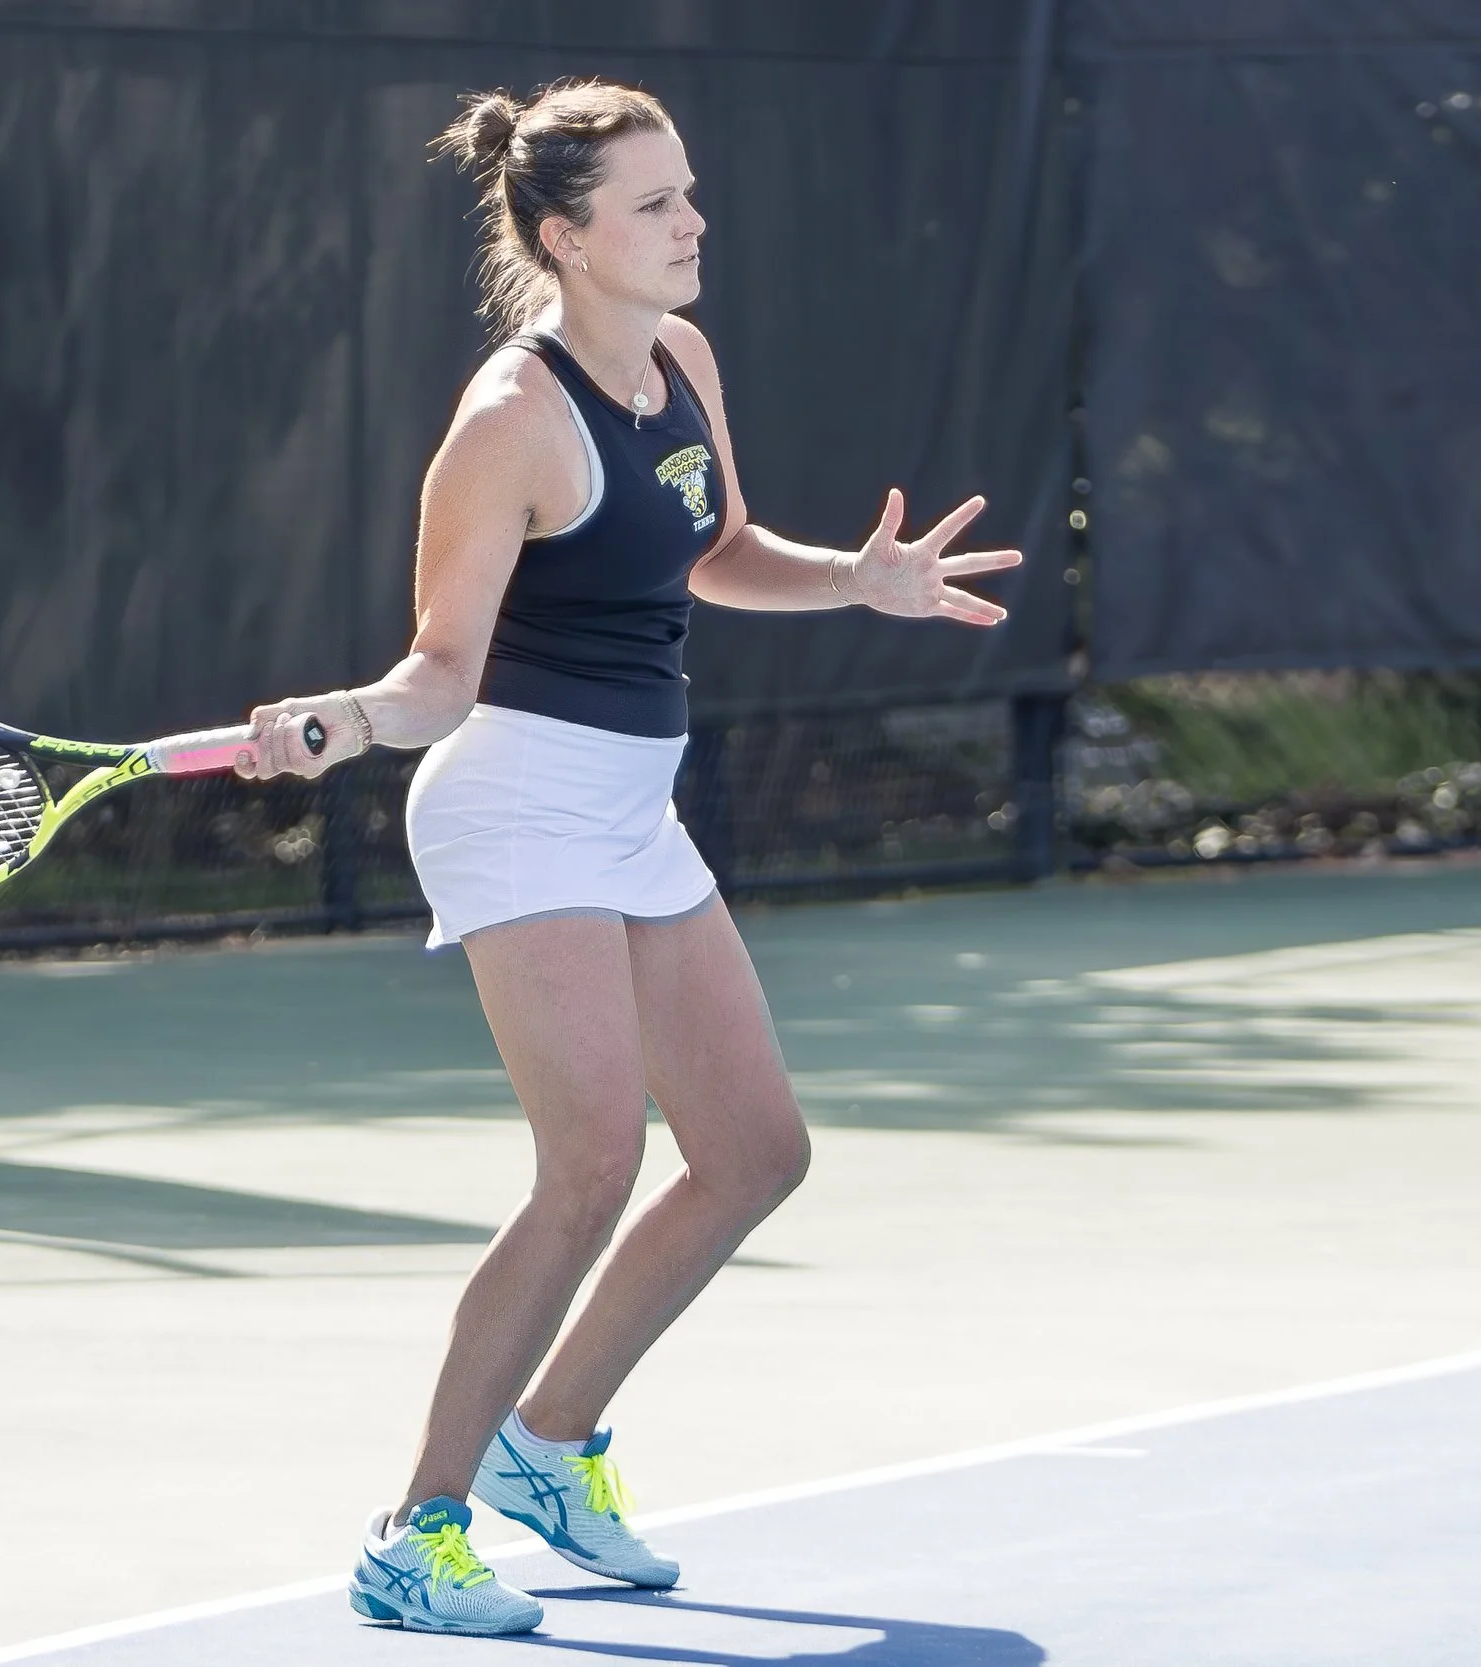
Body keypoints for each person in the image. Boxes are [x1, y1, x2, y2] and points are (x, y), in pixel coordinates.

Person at [237, 78, 1021, 1636]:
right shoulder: (507, 425)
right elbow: (439, 673)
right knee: (591, 1163)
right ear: (563, 238)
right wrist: (339, 718)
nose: (692, 223)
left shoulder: (679, 361)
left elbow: (717, 549)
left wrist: (861, 580)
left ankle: (552, 1440)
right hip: (514, 795)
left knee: (754, 1151)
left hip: (628, 803)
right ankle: (416, 1529)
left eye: (690, 194)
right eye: (656, 204)